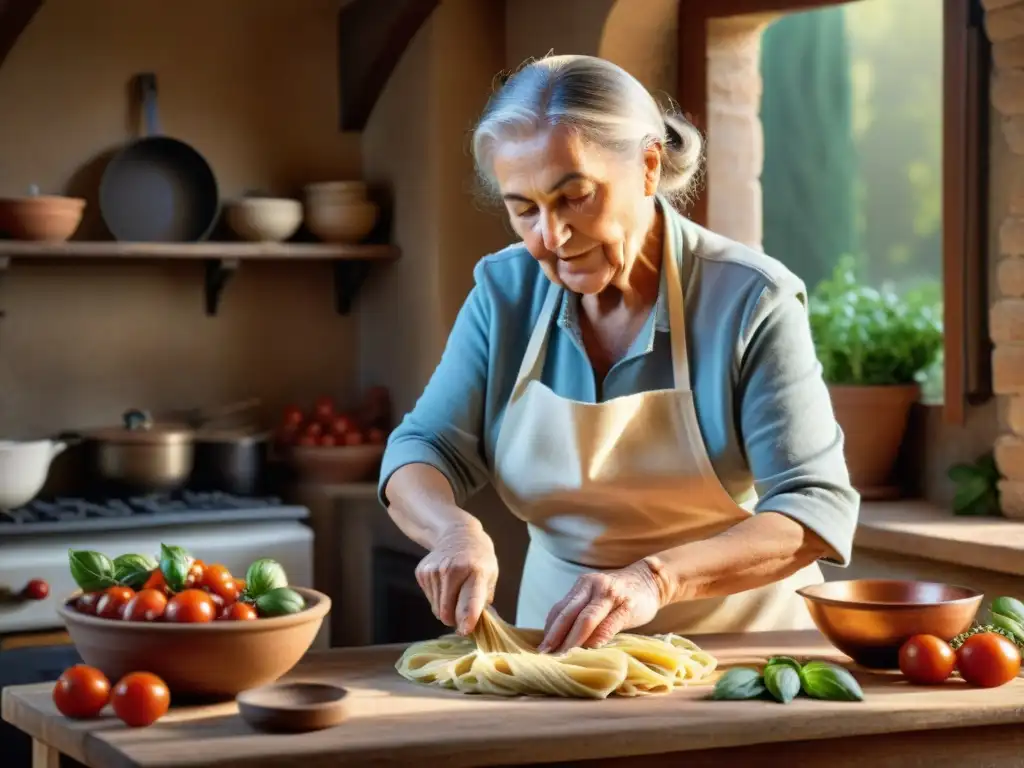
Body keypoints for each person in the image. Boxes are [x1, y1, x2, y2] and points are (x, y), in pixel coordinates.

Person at [377, 54, 859, 655]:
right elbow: (423, 447)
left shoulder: (750, 298)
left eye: (574, 196)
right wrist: (451, 531)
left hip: (744, 653)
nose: (550, 238)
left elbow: (813, 507)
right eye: (523, 208)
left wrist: (653, 581)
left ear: (649, 165)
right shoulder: (505, 293)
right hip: (561, 648)